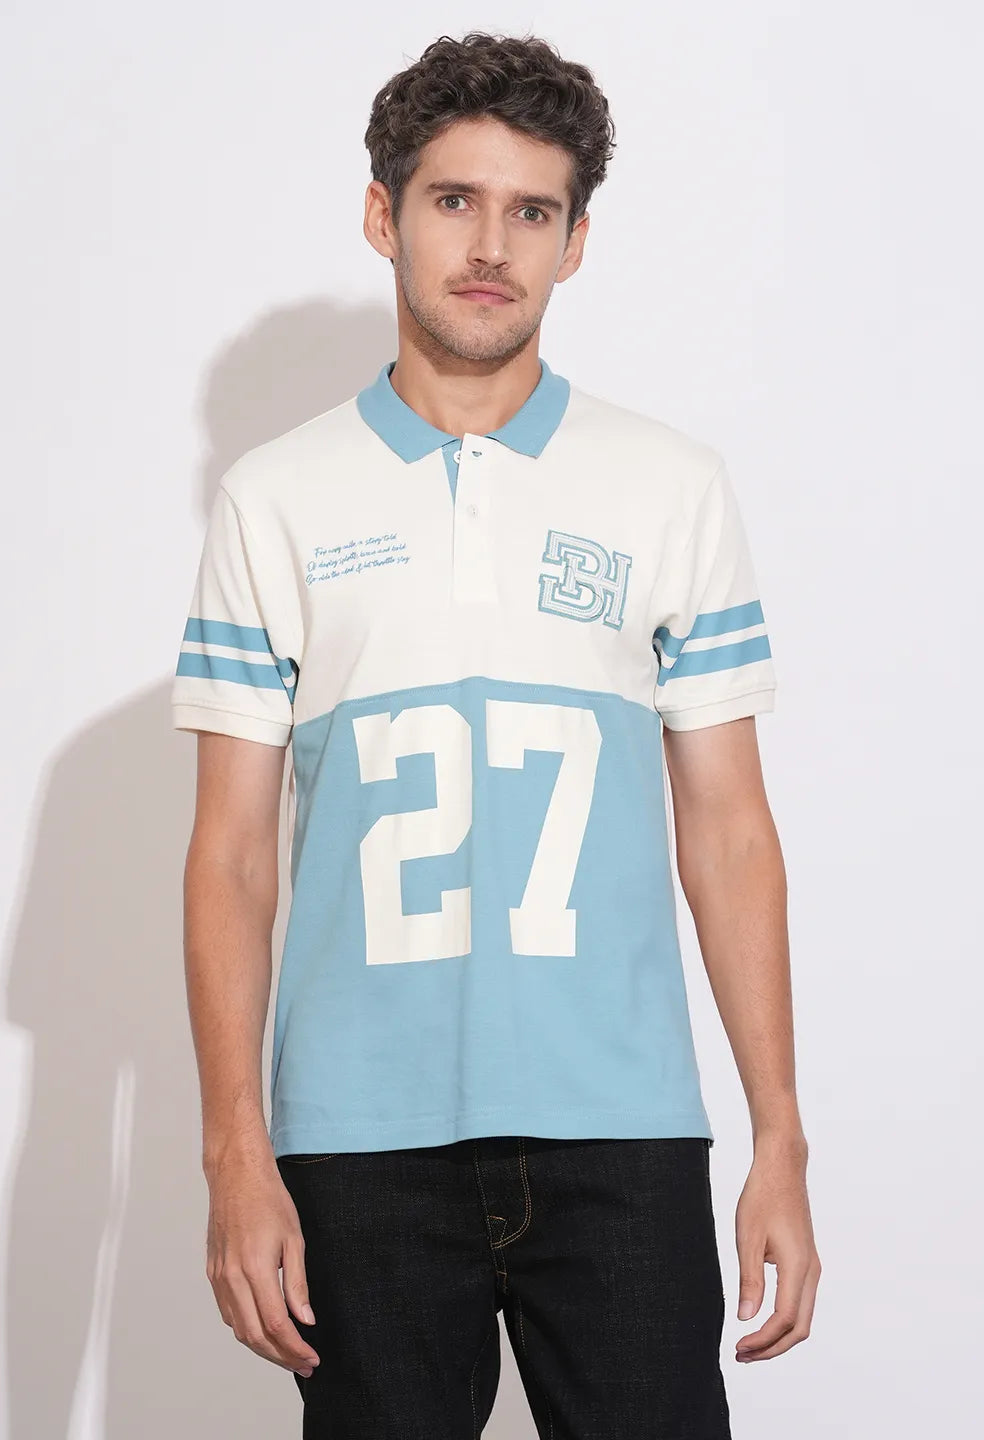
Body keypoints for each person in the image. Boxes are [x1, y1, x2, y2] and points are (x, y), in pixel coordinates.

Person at [170, 29, 820, 1439]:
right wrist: (234, 1152)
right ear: (383, 214)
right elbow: (229, 857)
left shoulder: (669, 486)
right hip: (359, 1147)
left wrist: (780, 1134)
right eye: (454, 199)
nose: (489, 246)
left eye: (533, 211)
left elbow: (729, 828)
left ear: (575, 243)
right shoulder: (275, 500)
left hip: (624, 1133)